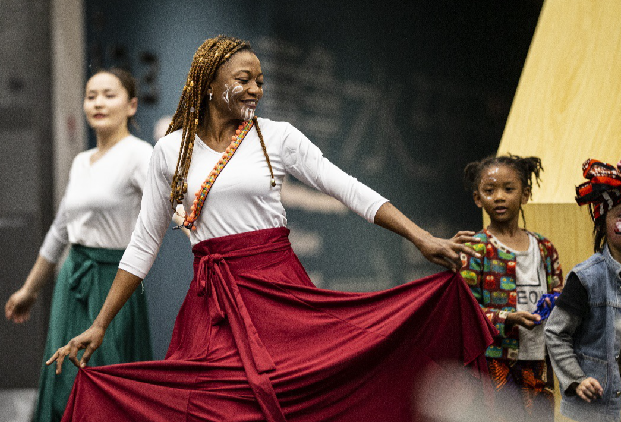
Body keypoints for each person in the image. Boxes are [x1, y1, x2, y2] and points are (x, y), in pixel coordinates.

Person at [48, 36, 494, 422]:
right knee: (207, 404)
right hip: (214, 304)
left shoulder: (276, 137)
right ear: (209, 82)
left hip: (279, 296)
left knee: (305, 393)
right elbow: (144, 243)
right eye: (243, 79)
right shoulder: (171, 151)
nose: (255, 89)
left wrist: (420, 238)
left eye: (260, 81)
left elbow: (348, 189)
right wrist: (100, 324)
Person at [4, 68, 154, 422]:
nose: (98, 103)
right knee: (62, 381)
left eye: (109, 95)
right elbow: (60, 231)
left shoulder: (140, 154)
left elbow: (168, 208)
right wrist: (29, 290)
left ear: (131, 105)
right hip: (72, 282)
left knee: (108, 381)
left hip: (115, 281)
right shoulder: (80, 161)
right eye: (91, 96)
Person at [459, 154, 563, 421]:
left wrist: (555, 304)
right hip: (496, 361)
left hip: (539, 358)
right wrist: (508, 318)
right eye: (489, 190)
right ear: (477, 198)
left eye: (508, 189)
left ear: (525, 194)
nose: (499, 197)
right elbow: (466, 310)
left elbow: (559, 296)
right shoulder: (475, 248)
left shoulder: (544, 248)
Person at [545, 158, 621, 422]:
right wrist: (577, 379)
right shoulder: (586, 278)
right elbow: (556, 333)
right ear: (602, 223)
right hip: (600, 410)